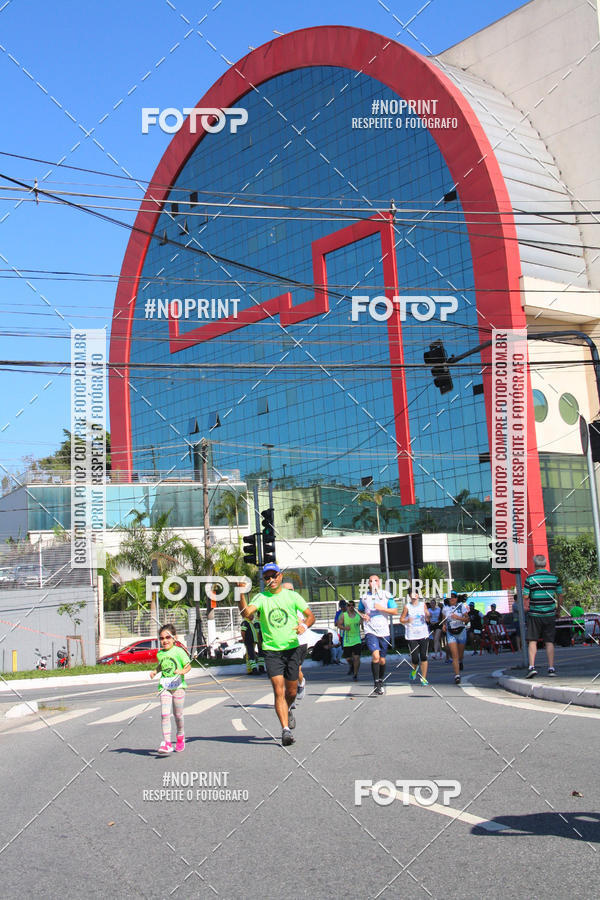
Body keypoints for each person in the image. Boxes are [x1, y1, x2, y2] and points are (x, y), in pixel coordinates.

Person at [239, 564, 315, 746]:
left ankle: (288, 709)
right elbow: (247, 614)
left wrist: (304, 625)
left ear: (280, 576)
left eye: (273, 576)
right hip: (271, 650)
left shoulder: (292, 596)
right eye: (267, 578)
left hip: (292, 648)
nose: (271, 580)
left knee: (291, 691)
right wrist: (240, 594)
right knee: (278, 690)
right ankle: (285, 730)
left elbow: (310, 616)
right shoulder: (261, 597)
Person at [150, 623, 192, 754]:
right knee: (164, 714)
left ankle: (180, 736)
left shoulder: (179, 651)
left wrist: (182, 671)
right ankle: (167, 742)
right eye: (162, 638)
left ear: (174, 638)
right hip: (165, 686)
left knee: (178, 715)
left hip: (178, 686)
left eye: (167, 637)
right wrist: (155, 671)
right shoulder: (160, 654)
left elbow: (188, 666)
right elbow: (162, 666)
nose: (164, 641)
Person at [523, 554, 563, 678]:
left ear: (535, 565)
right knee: (549, 641)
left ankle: (531, 667)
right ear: (545, 564)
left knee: (533, 641)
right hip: (550, 614)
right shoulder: (554, 578)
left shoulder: (530, 578)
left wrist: (527, 606)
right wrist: (558, 610)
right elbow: (560, 595)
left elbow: (525, 596)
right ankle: (551, 668)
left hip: (535, 614)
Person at [358, 574, 398, 695]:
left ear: (379, 583)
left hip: (383, 630)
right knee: (375, 656)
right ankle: (376, 682)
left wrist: (382, 609)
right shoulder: (364, 597)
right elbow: (360, 610)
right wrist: (363, 615)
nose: (373, 583)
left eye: (375, 581)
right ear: (368, 584)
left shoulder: (386, 595)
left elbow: (395, 611)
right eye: (370, 581)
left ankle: (381, 679)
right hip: (370, 630)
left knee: (382, 659)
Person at [283, 581, 308, 701]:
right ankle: (289, 696)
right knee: (286, 671)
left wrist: (299, 621)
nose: (288, 593)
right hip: (284, 643)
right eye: (285, 590)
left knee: (296, 669)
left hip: (300, 643)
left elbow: (307, 618)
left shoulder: (299, 604)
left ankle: (301, 682)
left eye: (291, 590)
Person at [400, 592, 430, 685]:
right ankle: (414, 669)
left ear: (418, 596)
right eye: (411, 595)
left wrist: (427, 615)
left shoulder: (422, 605)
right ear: (409, 596)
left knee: (424, 656)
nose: (414, 596)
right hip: (412, 635)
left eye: (415, 594)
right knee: (415, 658)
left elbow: (428, 618)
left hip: (423, 634)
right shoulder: (407, 607)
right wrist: (407, 620)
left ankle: (424, 678)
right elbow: (401, 619)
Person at [442, 593, 470, 684]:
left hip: (461, 631)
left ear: (457, 598)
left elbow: (467, 619)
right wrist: (443, 625)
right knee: (455, 656)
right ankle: (457, 676)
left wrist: (458, 617)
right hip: (451, 633)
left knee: (460, 655)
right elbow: (443, 620)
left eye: (454, 597)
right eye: (450, 598)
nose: (452, 599)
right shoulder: (445, 608)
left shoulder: (461, 607)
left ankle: (461, 661)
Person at [338, 599, 363, 679]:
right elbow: (339, 625)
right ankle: (352, 665)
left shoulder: (358, 615)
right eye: (349, 605)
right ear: (347, 607)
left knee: (356, 657)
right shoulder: (344, 615)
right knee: (348, 658)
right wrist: (345, 628)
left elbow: (363, 624)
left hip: (357, 639)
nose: (351, 607)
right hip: (347, 640)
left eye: (352, 605)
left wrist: (363, 624)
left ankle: (355, 674)